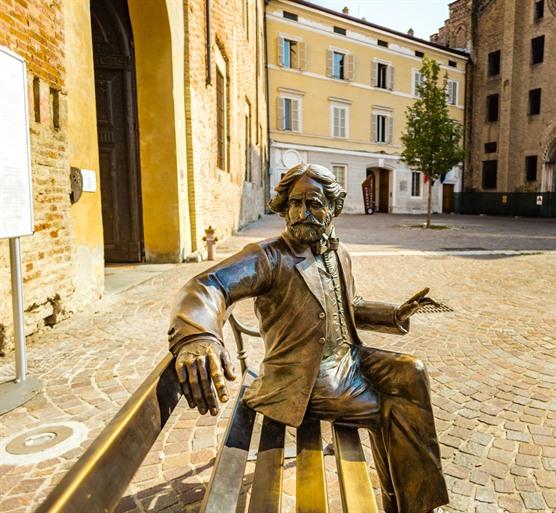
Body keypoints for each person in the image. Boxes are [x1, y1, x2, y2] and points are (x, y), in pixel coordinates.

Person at [167, 163, 449, 513]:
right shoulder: (269, 257)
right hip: (304, 378)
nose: (302, 212)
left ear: (333, 209)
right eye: (295, 203)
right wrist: (198, 336)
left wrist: (394, 314)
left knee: (413, 372)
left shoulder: (338, 254)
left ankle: (408, 502)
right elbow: (207, 286)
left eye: (314, 204)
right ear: (284, 208)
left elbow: (351, 306)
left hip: (349, 361)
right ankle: (408, 505)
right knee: (394, 409)